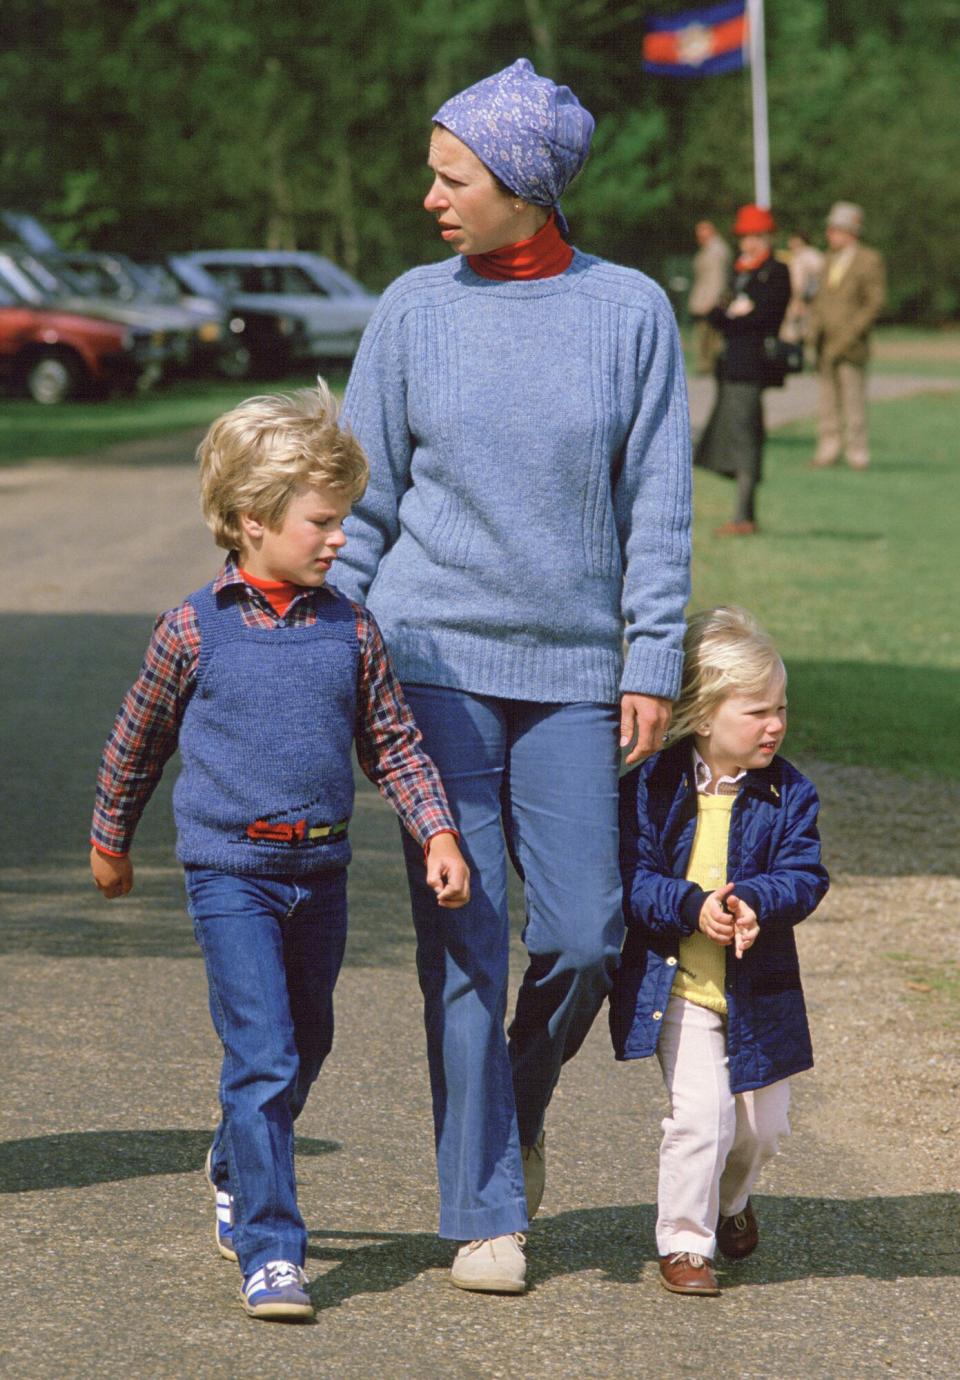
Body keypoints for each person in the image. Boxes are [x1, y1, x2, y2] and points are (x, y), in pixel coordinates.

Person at [335, 58, 692, 1295]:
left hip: (578, 674)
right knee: (467, 939)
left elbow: (658, 503)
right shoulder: (411, 310)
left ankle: (512, 1115)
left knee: (590, 933)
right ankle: (483, 1204)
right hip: (428, 659)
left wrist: (652, 655)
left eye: (453, 177)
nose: (429, 197)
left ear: (526, 188)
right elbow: (362, 505)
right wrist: (342, 652)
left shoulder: (633, 311)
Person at [88, 384, 470, 1322]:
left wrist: (439, 830)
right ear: (252, 523)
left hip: (321, 872)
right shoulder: (193, 628)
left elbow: (395, 745)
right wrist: (111, 835)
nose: (340, 539)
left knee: (309, 1041)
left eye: (342, 521)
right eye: (323, 522)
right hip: (231, 876)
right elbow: (138, 741)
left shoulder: (351, 628)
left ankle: (233, 1154)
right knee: (260, 1054)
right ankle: (270, 1247)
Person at [611, 605, 829, 1296]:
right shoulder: (651, 786)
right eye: (757, 711)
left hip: (758, 992)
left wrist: (758, 899)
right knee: (699, 1117)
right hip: (681, 988)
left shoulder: (790, 792)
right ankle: (685, 1242)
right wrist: (690, 906)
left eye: (781, 709)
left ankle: (731, 1203)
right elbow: (633, 881)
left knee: (763, 1130)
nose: (776, 725)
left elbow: (806, 875)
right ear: (704, 715)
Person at [693, 204, 791, 537]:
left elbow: (762, 317)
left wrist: (734, 316)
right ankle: (743, 514)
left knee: (746, 438)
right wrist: (732, 316)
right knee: (736, 435)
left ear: (766, 237)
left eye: (753, 237)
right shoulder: (741, 271)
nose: (747, 243)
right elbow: (719, 315)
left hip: (753, 366)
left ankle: (744, 516)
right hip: (731, 363)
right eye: (744, 237)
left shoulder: (776, 272)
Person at [808, 201, 886, 470]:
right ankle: (828, 449)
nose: (830, 235)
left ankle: (857, 453)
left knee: (853, 401)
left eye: (835, 229)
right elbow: (818, 299)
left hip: (852, 344)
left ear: (850, 231)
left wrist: (852, 332)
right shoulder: (827, 259)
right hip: (825, 342)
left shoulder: (868, 260)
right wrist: (813, 330)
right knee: (828, 401)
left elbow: (873, 303)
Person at [688, 219, 732, 375]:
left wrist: (711, 302)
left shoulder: (716, 251)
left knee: (710, 338)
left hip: (711, 301)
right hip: (705, 299)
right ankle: (707, 366)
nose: (698, 236)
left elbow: (717, 279)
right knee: (705, 337)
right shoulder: (709, 249)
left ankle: (709, 367)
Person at [781, 230, 824, 346]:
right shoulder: (797, 255)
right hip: (799, 300)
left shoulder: (808, 256)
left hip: (805, 302)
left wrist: (802, 300)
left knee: (801, 337)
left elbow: (811, 282)